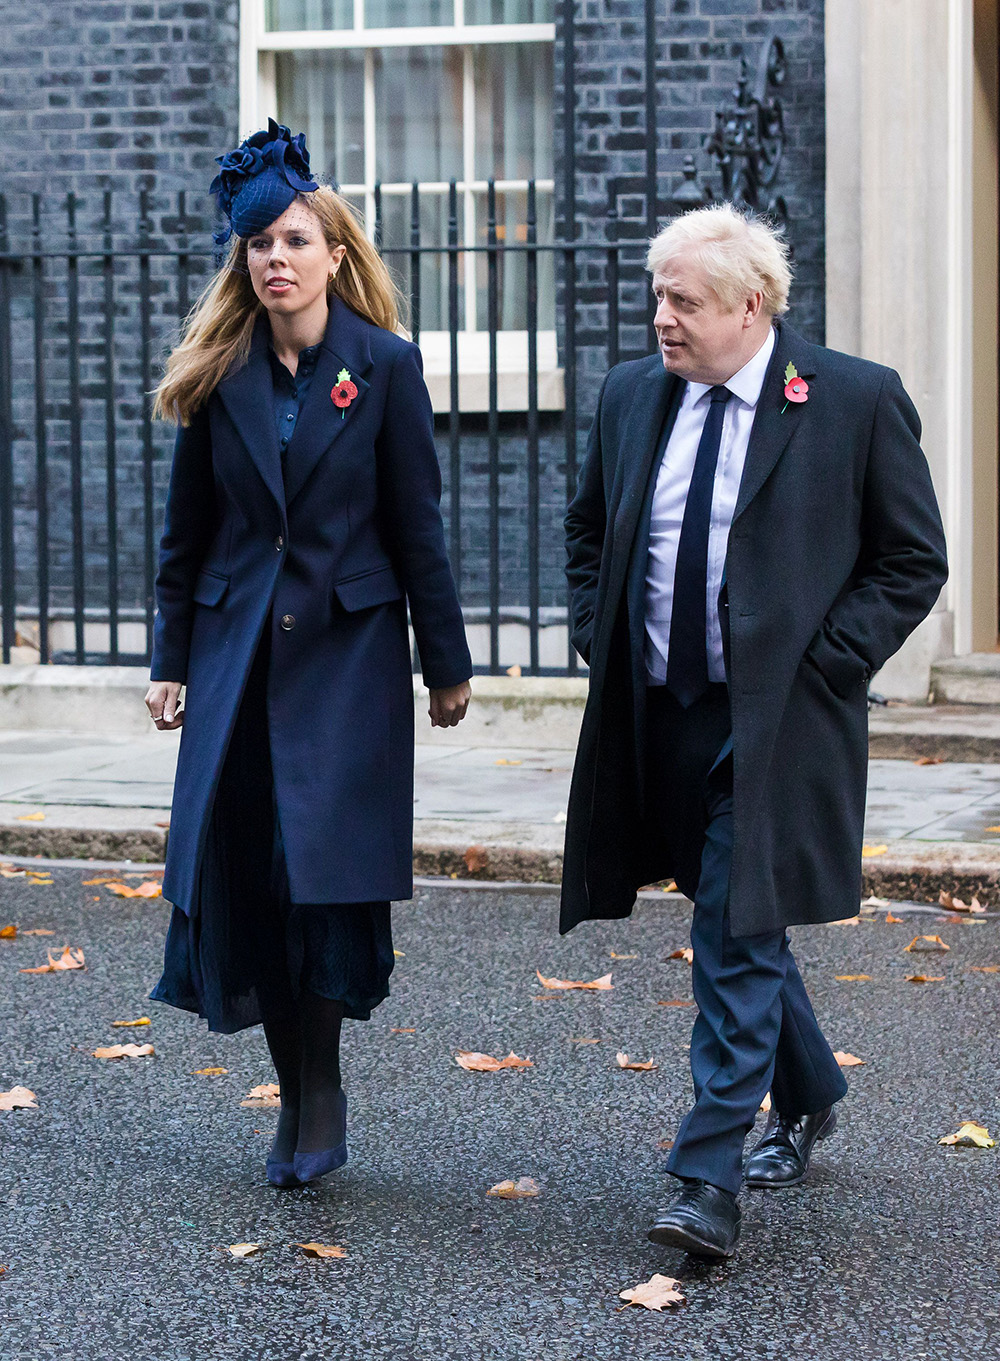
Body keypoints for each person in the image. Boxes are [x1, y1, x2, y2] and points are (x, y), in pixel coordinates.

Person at [561, 202, 947, 1257]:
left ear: (750, 306)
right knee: (739, 915)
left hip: (768, 726)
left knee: (731, 935)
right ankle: (811, 1085)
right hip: (660, 712)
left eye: (682, 301)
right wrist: (602, 632)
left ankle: (705, 1176)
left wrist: (825, 665)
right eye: (657, 296)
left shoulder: (852, 399)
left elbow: (911, 559)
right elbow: (590, 526)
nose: (661, 319)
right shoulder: (634, 395)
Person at [145, 121, 472, 1189]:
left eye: (293, 240)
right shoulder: (219, 374)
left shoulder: (382, 367)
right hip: (239, 658)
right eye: (258, 245)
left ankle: (320, 1087)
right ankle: (292, 1090)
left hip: (348, 656)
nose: (275, 259)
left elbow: (416, 521)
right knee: (252, 876)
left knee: (317, 879)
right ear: (243, 262)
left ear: (332, 251)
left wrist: (446, 661)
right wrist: (168, 657)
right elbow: (184, 535)